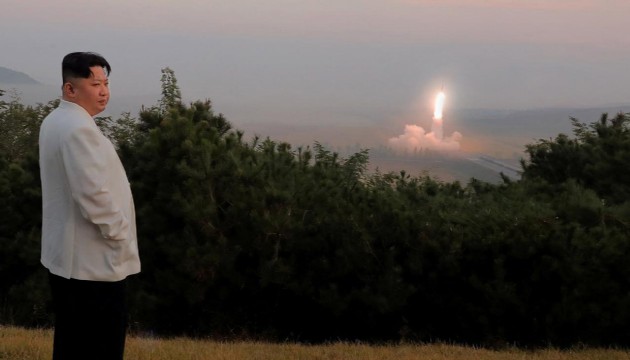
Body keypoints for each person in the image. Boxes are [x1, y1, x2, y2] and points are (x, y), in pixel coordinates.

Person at [39, 52, 140, 360]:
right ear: (70, 89)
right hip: (91, 262)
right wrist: (119, 234)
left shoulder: (56, 120)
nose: (104, 91)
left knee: (72, 341)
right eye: (95, 83)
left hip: (69, 259)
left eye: (106, 83)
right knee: (100, 345)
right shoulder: (78, 129)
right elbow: (93, 195)